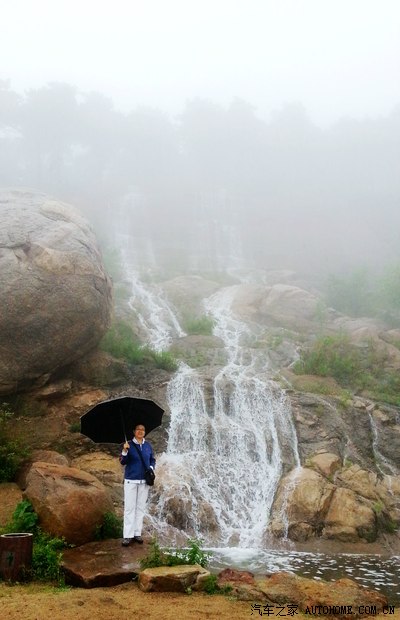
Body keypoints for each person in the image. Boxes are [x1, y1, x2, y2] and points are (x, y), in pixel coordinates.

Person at [119, 423, 156, 546]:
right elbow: (123, 462)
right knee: (130, 508)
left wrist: (151, 468)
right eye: (138, 429)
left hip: (144, 481)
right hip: (131, 480)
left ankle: (137, 533)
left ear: (144, 432)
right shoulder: (128, 444)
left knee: (140, 508)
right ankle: (127, 536)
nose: (140, 431)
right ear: (134, 431)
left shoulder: (147, 446)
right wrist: (124, 451)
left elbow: (152, 459)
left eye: (143, 429)